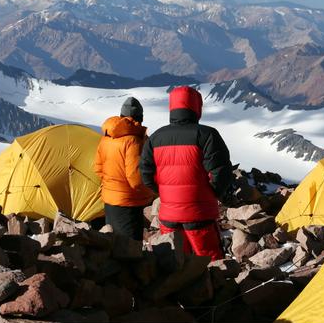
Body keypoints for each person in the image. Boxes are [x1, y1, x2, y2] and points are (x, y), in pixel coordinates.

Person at [139, 85, 232, 261]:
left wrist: (165, 193)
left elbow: (145, 174)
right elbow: (221, 172)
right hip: (200, 214)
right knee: (211, 262)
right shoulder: (207, 135)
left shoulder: (156, 138)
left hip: (169, 215)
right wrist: (212, 193)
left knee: (176, 262)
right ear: (197, 107)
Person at [93, 97, 154, 240]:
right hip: (129, 202)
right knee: (129, 248)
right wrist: (152, 192)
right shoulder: (133, 141)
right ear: (141, 118)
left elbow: (97, 168)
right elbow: (136, 180)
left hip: (110, 200)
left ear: (121, 116)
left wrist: (112, 186)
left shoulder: (107, 138)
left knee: (114, 244)